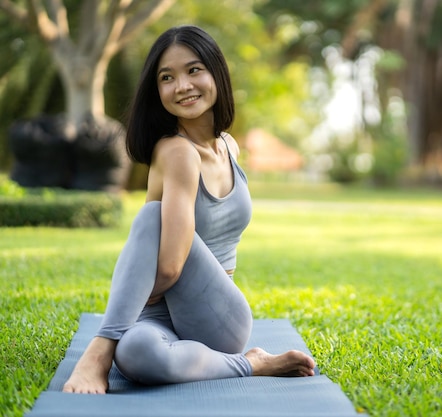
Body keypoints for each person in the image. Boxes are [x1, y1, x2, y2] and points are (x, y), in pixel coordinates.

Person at [63, 25, 316, 394]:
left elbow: (168, 267)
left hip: (214, 319)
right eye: (167, 77)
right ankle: (248, 363)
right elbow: (165, 265)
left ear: (217, 73)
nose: (182, 86)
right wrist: (134, 313)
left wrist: (136, 292)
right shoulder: (175, 150)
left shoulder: (227, 147)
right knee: (136, 354)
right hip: (158, 319)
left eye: (194, 70)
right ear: (157, 90)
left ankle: (100, 351)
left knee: (150, 215)